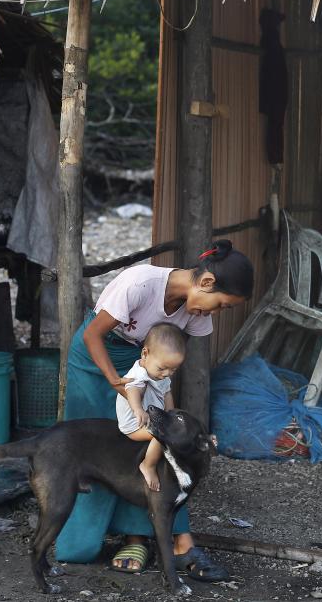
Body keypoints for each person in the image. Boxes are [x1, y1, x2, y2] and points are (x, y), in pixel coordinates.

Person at [55, 239, 254, 582]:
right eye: (219, 305)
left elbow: (167, 367)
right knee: (92, 449)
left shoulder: (193, 317)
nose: (213, 314)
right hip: (95, 361)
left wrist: (165, 410)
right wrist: (118, 383)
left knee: (154, 446)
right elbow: (92, 335)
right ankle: (83, 535)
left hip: (145, 371)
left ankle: (142, 538)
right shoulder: (140, 283)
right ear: (206, 283)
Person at [116, 323, 186, 491]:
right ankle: (148, 465)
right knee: (162, 436)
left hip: (152, 417)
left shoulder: (161, 373)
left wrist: (171, 414)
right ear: (145, 353)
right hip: (134, 424)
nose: (167, 373)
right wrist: (138, 410)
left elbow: (167, 392)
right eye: (162, 368)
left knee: (173, 429)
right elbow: (132, 390)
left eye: (173, 370)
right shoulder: (139, 373)